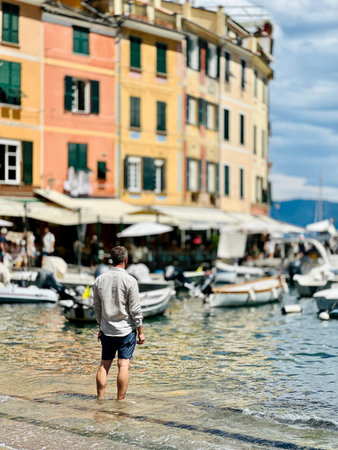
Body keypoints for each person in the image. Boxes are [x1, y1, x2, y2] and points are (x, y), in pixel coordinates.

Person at [93, 246, 145, 401]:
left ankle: (100, 399)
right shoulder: (130, 280)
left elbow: (96, 307)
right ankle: (120, 401)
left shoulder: (100, 279)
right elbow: (135, 309)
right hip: (126, 331)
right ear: (126, 260)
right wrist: (140, 331)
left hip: (107, 329)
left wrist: (100, 326)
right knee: (123, 365)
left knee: (104, 365)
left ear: (112, 259)